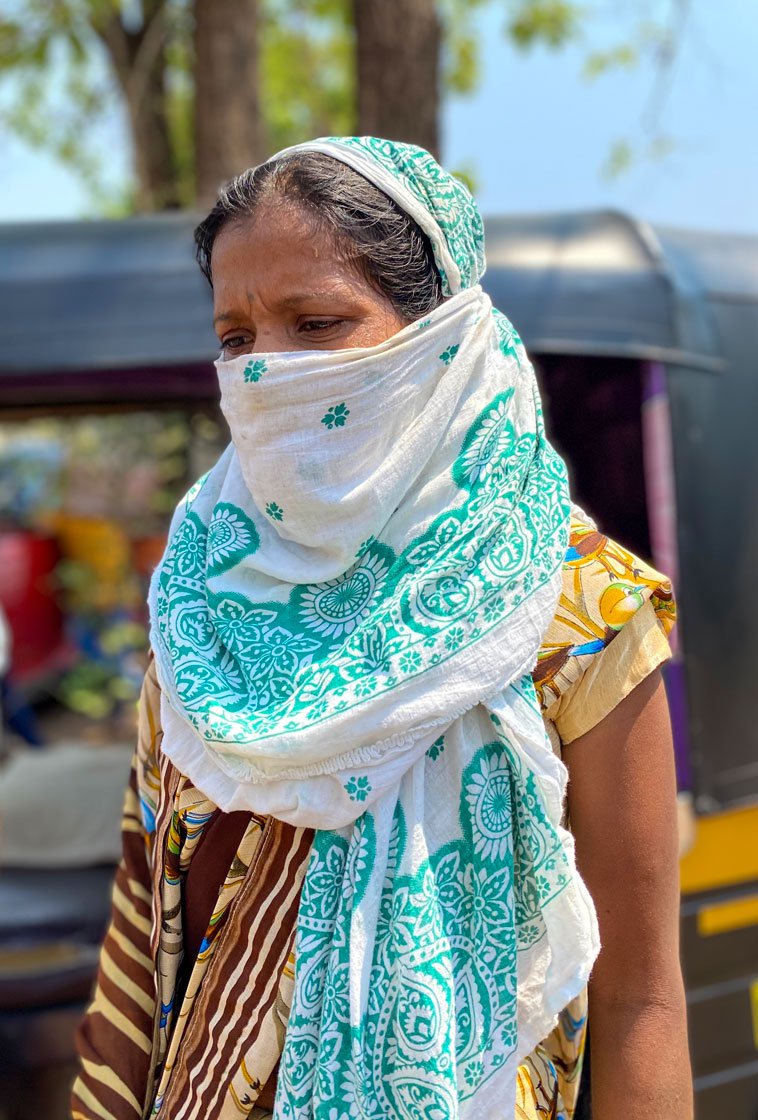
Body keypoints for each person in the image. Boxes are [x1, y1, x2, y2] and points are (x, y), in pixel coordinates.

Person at [72, 137, 692, 1120]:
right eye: (236, 338)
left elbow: (642, 1005)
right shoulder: (199, 609)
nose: (267, 372)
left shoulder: (579, 613)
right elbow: (140, 968)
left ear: (437, 333)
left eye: (315, 324)